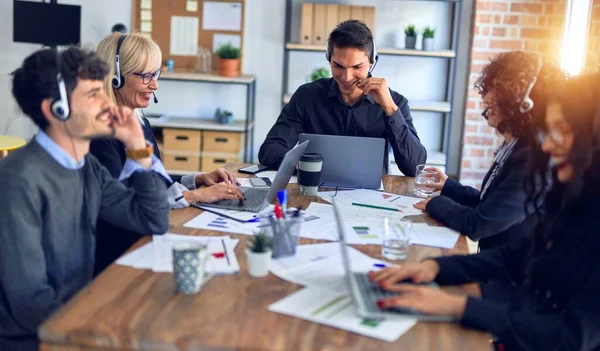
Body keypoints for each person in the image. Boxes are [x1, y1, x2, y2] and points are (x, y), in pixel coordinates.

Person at [370, 74, 600, 351]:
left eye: (562, 130)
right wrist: (435, 268)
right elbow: (517, 254)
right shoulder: (577, 200)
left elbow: (572, 336)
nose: (549, 145)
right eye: (548, 132)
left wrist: (459, 307)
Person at [0, 47, 170, 351]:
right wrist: (100, 334)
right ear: (57, 109)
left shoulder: (86, 166)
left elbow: (152, 219)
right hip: (40, 340)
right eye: (94, 94)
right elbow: (30, 301)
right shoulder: (19, 180)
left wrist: (137, 146)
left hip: (79, 319)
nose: (108, 103)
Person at [91, 33, 244, 274]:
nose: (155, 85)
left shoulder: (138, 121)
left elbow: (151, 181)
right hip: (122, 253)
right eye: (145, 76)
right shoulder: (100, 136)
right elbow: (129, 202)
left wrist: (195, 179)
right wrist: (195, 196)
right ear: (116, 77)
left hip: (147, 238)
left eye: (156, 74)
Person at [414, 51, 563, 251]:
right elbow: (491, 204)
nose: (486, 99)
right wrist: (449, 186)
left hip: (508, 274)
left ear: (521, 101)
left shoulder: (532, 158)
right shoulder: (515, 146)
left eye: (495, 92)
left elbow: (479, 223)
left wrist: (435, 203)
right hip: (492, 262)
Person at [258, 20, 426, 176]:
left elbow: (414, 168)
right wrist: (299, 165)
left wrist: (390, 109)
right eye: (338, 66)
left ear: (371, 62)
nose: (346, 77)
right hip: (316, 189)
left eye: (357, 67)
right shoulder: (307, 96)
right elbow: (270, 150)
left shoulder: (395, 103)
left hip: (371, 195)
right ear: (329, 59)